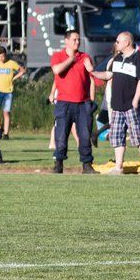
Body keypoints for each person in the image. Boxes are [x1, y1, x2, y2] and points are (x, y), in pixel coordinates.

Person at [91, 32, 140, 174]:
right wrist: (93, 72)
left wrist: (136, 100)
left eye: (118, 41)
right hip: (117, 105)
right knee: (117, 136)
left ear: (127, 42)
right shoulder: (117, 58)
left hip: (131, 104)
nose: (116, 44)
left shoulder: (139, 58)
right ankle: (119, 167)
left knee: (138, 136)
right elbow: (108, 75)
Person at [50, 30, 97, 174]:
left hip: (83, 103)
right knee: (61, 135)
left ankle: (87, 165)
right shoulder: (58, 56)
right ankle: (59, 164)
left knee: (84, 135)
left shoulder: (85, 57)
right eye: (74, 39)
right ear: (66, 41)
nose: (77, 42)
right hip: (64, 102)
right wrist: (71, 59)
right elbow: (57, 71)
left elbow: (91, 79)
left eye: (78, 40)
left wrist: (91, 100)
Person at [0, 46, 25, 138]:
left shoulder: (11, 63)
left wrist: (14, 78)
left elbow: (22, 70)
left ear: (5, 55)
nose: (1, 58)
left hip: (8, 91)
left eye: (3, 56)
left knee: (6, 112)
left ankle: (6, 134)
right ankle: (0, 128)